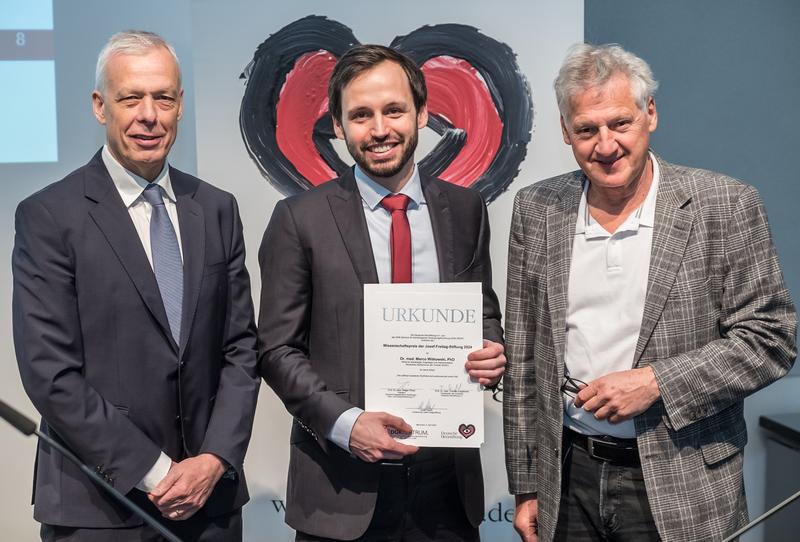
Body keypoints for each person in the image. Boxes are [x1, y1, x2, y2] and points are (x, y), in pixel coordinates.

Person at [503, 43, 797, 542]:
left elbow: (771, 339)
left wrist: (657, 382)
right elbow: (525, 356)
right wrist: (527, 484)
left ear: (650, 114)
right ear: (565, 131)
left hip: (682, 482)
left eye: (620, 123)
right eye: (587, 130)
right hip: (568, 477)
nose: (606, 144)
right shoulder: (537, 209)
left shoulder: (724, 203)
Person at [12, 31, 260, 541]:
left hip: (210, 506)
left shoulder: (217, 208)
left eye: (163, 97)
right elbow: (50, 372)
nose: (149, 115)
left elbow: (240, 349)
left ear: (179, 105)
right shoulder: (49, 216)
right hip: (100, 507)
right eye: (131, 98)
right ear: (101, 106)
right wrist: (157, 472)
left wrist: (213, 459)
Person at [258, 44, 505, 541]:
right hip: (341, 490)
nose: (379, 130)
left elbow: (482, 310)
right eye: (360, 115)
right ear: (338, 127)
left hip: (446, 492)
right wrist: (346, 424)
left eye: (394, 110)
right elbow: (276, 350)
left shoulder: (465, 209)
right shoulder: (298, 220)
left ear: (422, 113)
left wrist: (491, 349)